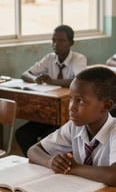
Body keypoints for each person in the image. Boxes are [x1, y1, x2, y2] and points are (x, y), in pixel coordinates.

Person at [27, 66, 116, 187]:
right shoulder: (74, 127)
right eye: (71, 99)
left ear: (106, 106)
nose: (71, 107)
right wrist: (50, 162)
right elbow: (33, 151)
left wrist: (73, 168)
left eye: (80, 101)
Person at [16, 24, 87, 156]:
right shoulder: (49, 58)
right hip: (48, 114)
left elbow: (79, 81)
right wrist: (35, 79)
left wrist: (52, 82)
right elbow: (25, 74)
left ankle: (48, 162)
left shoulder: (79, 59)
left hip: (67, 114)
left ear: (71, 43)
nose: (56, 44)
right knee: (22, 134)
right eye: (53, 40)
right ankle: (35, 161)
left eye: (61, 41)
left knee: (48, 138)